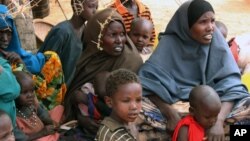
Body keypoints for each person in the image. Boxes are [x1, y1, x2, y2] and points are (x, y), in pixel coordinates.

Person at [138, 0, 250, 140]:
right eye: (203, 22)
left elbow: (233, 86)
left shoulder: (216, 41)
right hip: (175, 109)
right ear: (187, 25)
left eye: (212, 21)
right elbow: (145, 82)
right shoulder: (170, 43)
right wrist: (169, 112)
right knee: (136, 105)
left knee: (247, 105)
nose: (210, 27)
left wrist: (219, 120)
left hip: (213, 110)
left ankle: (225, 134)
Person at [63, 8, 143, 139]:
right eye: (113, 35)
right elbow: (73, 93)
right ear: (96, 37)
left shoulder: (131, 61)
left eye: (122, 34)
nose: (119, 40)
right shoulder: (88, 56)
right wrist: (80, 117)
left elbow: (128, 105)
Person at [0, 4, 66, 110]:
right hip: (18, 92)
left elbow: (22, 56)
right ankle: (44, 108)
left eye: (9, 33)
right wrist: (20, 63)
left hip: (22, 69)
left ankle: (54, 105)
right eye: (0, 33)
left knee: (53, 58)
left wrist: (20, 60)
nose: (5, 38)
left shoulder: (13, 49)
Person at [39, 0, 99, 87]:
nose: (95, 11)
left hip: (68, 87)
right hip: (51, 88)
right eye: (91, 6)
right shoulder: (62, 32)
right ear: (76, 6)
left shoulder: (84, 30)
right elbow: (46, 62)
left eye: (96, 7)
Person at [14, 71, 62, 141]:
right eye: (24, 92)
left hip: (45, 134)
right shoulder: (14, 117)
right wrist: (42, 133)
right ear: (14, 93)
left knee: (60, 109)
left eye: (32, 91)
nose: (30, 95)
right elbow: (22, 139)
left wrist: (52, 123)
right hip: (35, 138)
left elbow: (43, 115)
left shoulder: (31, 104)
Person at [95, 69, 142, 141]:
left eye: (138, 100)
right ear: (109, 102)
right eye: (126, 101)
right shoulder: (115, 137)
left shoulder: (110, 124)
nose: (134, 106)